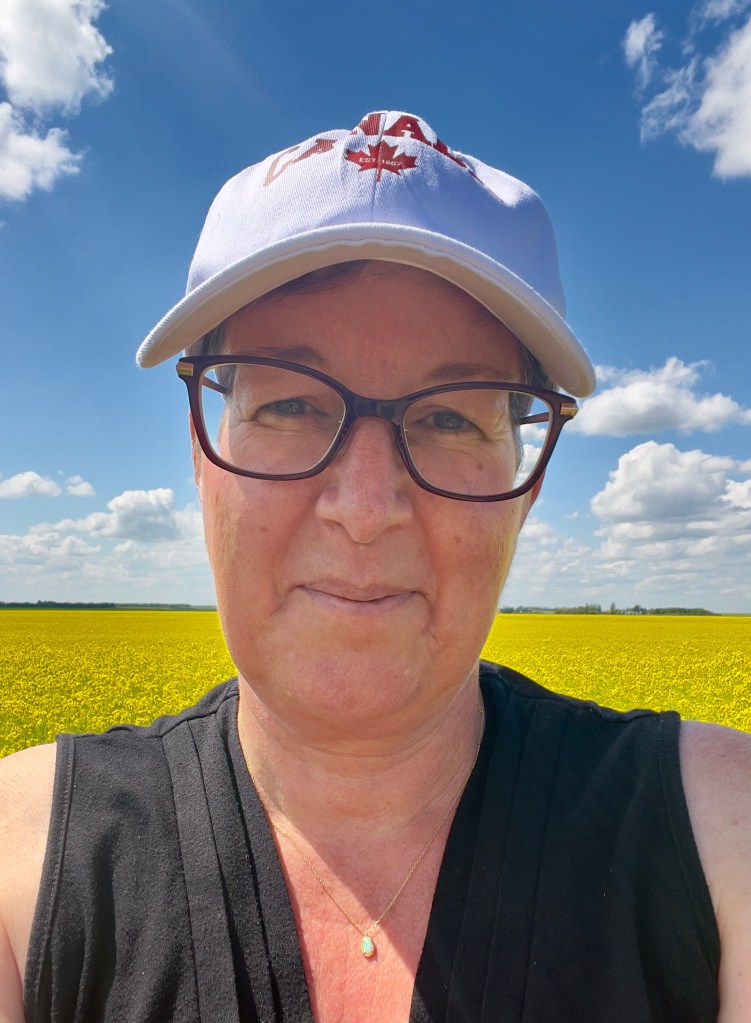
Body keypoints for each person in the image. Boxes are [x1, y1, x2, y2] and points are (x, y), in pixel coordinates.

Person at [0, 109, 749, 1023]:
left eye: (447, 418)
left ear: (524, 485)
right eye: (288, 403)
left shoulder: (714, 831)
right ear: (202, 456)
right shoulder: (24, 862)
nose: (363, 507)